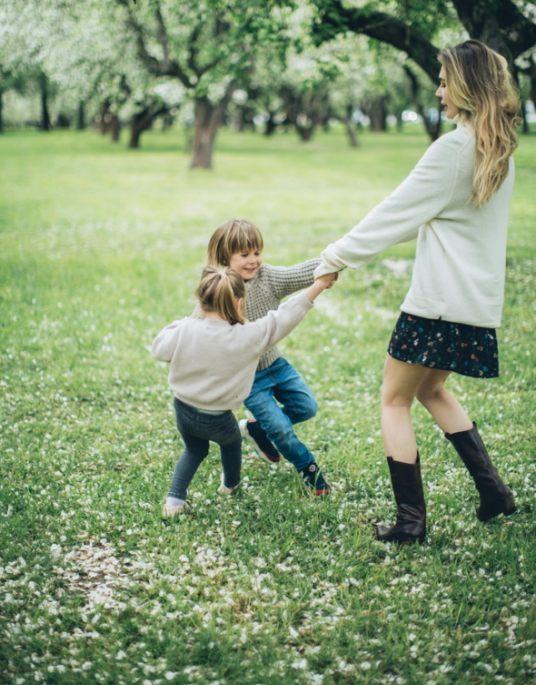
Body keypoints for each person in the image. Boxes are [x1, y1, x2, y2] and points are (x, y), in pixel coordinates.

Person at [314, 40, 520, 543]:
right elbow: (422, 216)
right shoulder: (498, 149)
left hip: (435, 306)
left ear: (467, 87)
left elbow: (392, 213)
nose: (438, 91)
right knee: (431, 389)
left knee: (394, 401)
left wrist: (333, 257)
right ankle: (494, 493)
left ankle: (410, 523)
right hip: (473, 306)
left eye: (445, 82)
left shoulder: (453, 150)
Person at [152, 265, 337, 517]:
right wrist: (319, 285)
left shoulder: (186, 329)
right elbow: (284, 316)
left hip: (183, 410)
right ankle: (230, 485)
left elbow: (159, 349)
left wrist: (186, 322)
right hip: (217, 418)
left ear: (200, 301)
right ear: (240, 303)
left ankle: (173, 502)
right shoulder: (249, 336)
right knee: (231, 444)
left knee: (194, 450)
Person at [205, 219, 335, 496]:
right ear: (224, 258)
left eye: (257, 252)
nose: (253, 260)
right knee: (281, 430)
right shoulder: (218, 289)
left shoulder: (268, 278)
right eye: (244, 255)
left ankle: (257, 430)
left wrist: (333, 262)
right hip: (248, 378)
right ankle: (308, 468)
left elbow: (300, 272)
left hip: (276, 365)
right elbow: (202, 328)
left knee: (307, 407)